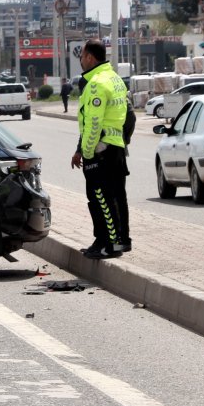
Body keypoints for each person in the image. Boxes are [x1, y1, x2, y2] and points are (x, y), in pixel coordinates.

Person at [70, 40, 131, 259]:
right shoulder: (115, 79)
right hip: (116, 148)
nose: (81, 61)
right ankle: (116, 241)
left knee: (101, 199)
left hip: (100, 151)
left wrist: (86, 153)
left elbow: (93, 124)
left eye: (82, 56)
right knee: (115, 197)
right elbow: (129, 117)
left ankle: (109, 245)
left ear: (89, 57)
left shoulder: (95, 83)